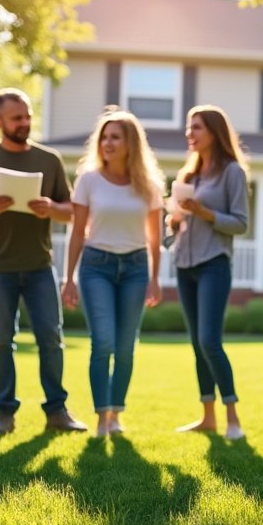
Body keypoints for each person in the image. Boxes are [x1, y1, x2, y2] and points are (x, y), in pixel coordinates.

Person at [0, 88, 87, 434]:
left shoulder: (49, 160)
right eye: (17, 118)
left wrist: (50, 207)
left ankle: (57, 412)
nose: (24, 122)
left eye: (27, 115)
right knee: (2, 340)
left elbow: (70, 212)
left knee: (50, 337)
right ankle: (5, 414)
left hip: (39, 266)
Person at [60, 109, 165, 438]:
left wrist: (155, 277)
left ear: (130, 143)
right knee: (102, 341)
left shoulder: (148, 185)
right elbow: (77, 233)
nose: (107, 143)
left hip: (135, 268)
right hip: (96, 267)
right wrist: (69, 277)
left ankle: (116, 412)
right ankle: (102, 417)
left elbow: (155, 238)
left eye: (115, 137)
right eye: (104, 137)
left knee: (125, 346)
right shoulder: (88, 180)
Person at [171, 105, 250, 439]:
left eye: (197, 127)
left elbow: (241, 224)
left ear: (215, 133)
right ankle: (207, 417)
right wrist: (173, 221)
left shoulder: (232, 172)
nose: (190, 133)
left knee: (209, 341)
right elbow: (176, 224)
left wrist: (204, 212)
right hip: (184, 265)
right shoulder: (188, 176)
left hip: (214, 263)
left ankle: (233, 418)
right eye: (189, 128)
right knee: (196, 343)